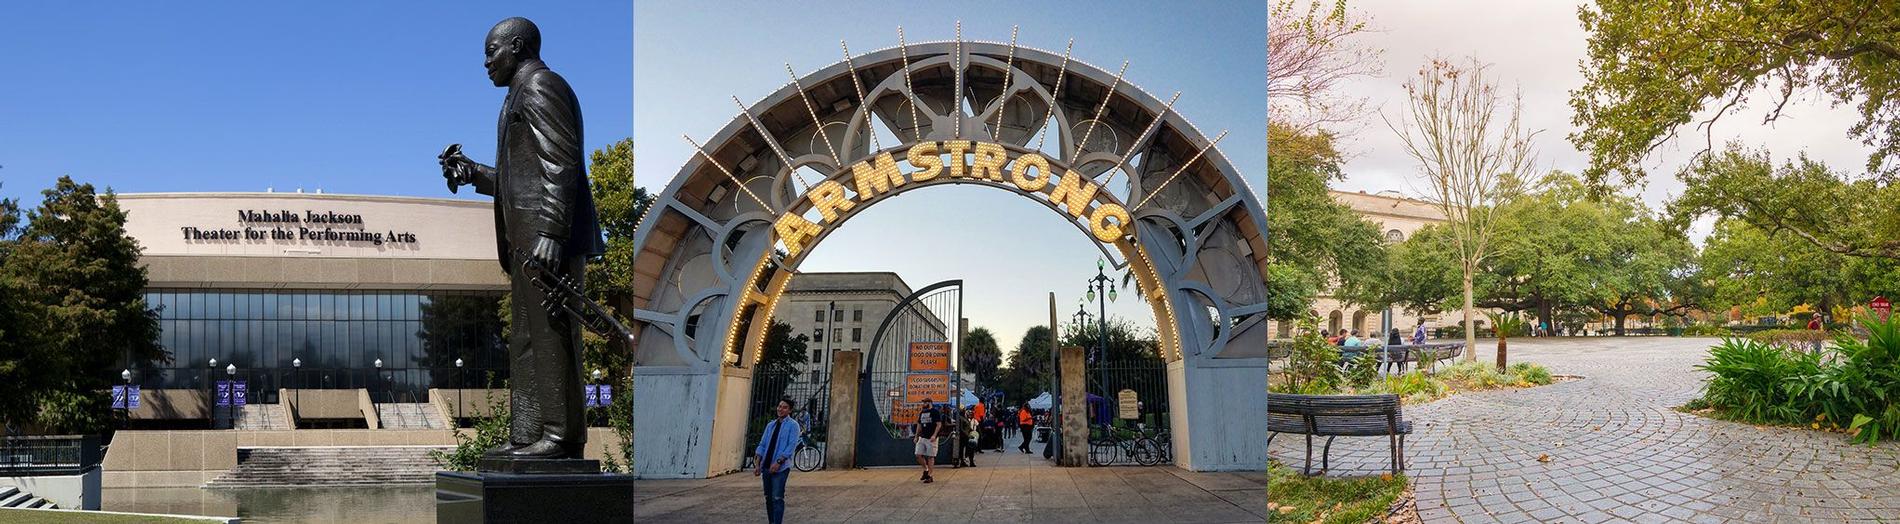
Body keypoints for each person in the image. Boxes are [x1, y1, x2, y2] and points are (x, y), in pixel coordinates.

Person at [753, 398, 800, 524]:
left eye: (784, 407)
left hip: (781, 468)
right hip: (767, 466)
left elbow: (791, 446)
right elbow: (762, 444)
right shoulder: (771, 425)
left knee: (777, 497)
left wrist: (779, 462)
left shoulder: (793, 425)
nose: (780, 409)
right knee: (768, 498)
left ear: (790, 410)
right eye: (779, 406)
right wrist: (757, 463)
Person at [914, 398, 942, 483]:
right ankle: (925, 469)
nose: (923, 404)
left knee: (930, 456)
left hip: (931, 438)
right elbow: (919, 425)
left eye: (925, 402)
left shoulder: (935, 412)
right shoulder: (922, 412)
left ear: (929, 403)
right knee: (918, 454)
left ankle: (930, 475)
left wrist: (934, 435)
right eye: (923, 402)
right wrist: (916, 436)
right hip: (922, 437)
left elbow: (938, 424)